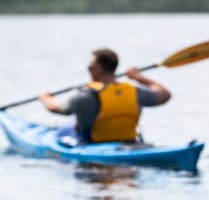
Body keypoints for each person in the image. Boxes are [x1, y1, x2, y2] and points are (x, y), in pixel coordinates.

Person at [38, 48, 171, 144]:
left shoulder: (85, 96)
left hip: (92, 144)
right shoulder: (134, 91)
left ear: (98, 69)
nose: (89, 70)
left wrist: (45, 98)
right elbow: (165, 95)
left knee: (62, 131)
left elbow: (55, 108)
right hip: (129, 142)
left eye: (90, 67)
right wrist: (139, 78)